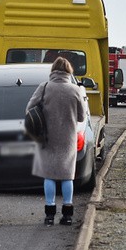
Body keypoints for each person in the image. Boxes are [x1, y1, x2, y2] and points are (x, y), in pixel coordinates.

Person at [26, 57, 85, 225]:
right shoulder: (75, 90)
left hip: (47, 137)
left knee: (49, 176)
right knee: (67, 176)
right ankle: (67, 215)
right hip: (68, 138)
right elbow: (81, 117)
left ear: (53, 70)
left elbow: (29, 108)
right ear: (69, 71)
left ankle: (49, 215)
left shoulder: (44, 87)